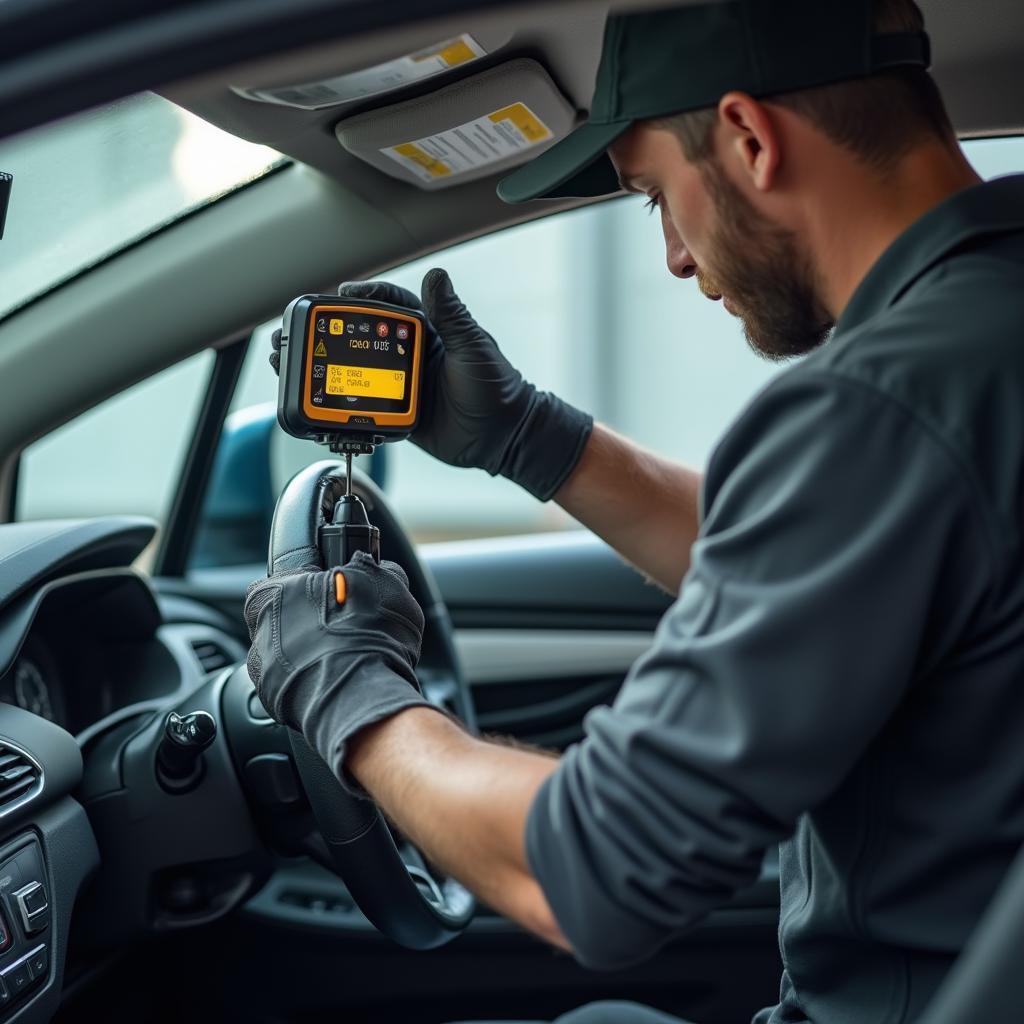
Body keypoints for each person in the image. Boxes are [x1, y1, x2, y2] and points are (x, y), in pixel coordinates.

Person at [246, 1, 1024, 1021]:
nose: (673, 257)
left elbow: (595, 871)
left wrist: (345, 691)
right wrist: (528, 435)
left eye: (653, 193)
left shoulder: (879, 401)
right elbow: (841, 564)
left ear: (748, 138)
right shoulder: (980, 342)